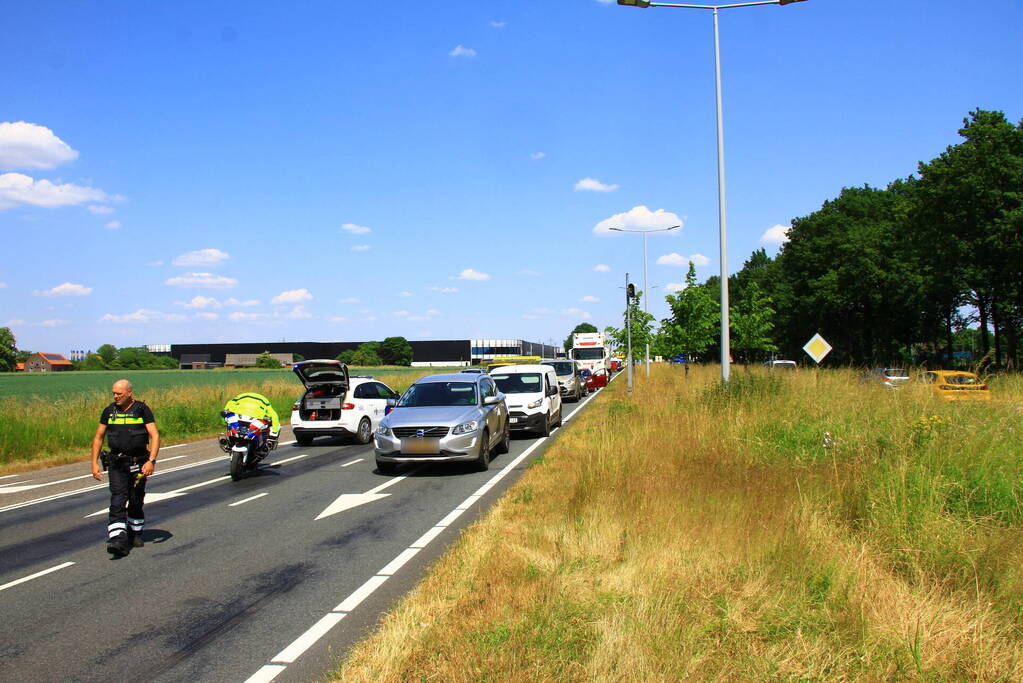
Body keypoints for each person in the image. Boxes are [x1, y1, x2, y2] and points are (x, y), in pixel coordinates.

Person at [91, 379, 160, 557]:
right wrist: (94, 463)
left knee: (136, 499)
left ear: (129, 393)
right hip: (116, 463)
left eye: (119, 393)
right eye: (113, 393)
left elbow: (154, 435)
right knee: (118, 498)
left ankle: (135, 532)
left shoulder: (142, 409)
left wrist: (151, 461)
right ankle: (117, 539)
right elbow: (98, 437)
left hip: (138, 462)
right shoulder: (109, 411)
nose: (115, 396)